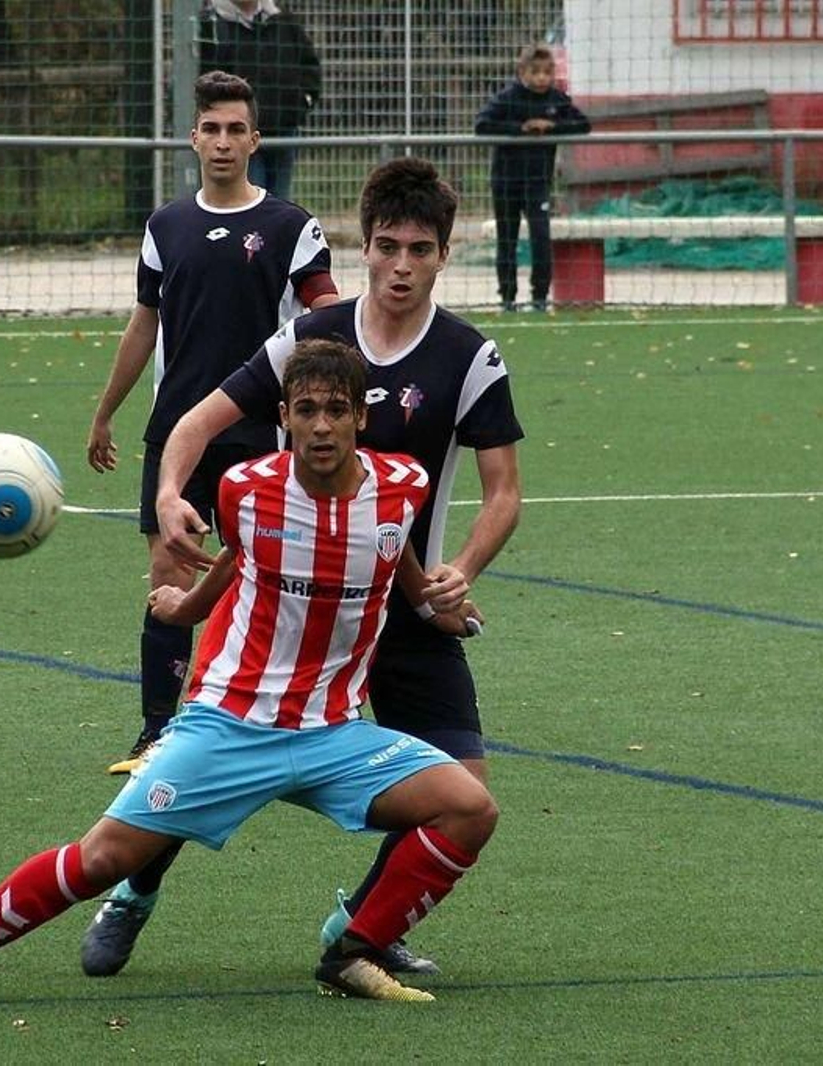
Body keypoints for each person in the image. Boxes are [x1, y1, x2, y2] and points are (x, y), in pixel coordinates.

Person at [0, 339, 497, 1007]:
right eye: (306, 410)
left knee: (469, 808)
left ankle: (352, 952)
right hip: (229, 724)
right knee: (103, 857)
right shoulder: (246, 490)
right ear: (284, 415)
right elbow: (238, 559)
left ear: (361, 417)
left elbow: (396, 562)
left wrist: (434, 603)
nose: (322, 426)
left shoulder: (404, 486)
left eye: (337, 410)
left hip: (333, 733)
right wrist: (185, 606)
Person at [78, 156, 523, 982]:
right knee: (207, 762)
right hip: (290, 610)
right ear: (364, 247)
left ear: (443, 255)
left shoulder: (469, 356)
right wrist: (173, 491)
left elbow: (504, 493)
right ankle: (132, 893)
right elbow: (196, 419)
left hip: (402, 599)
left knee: (462, 791)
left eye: (419, 250)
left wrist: (460, 569)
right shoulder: (309, 342)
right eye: (386, 246)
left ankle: (362, 927)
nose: (400, 265)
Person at [87, 70, 339, 778]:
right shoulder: (166, 226)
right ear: (193, 138)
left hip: (260, 434)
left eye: (237, 130)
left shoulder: (291, 226)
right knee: (166, 571)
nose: (224, 142)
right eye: (212, 130)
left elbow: (327, 315)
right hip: (176, 434)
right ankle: (154, 734)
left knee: (270, 577)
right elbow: (144, 324)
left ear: (255, 141)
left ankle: (273, 719)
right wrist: (106, 412)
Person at [474, 43, 591, 313]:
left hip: (538, 183)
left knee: (541, 238)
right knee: (507, 241)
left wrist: (553, 127)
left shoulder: (556, 100)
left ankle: (539, 297)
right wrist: (520, 129)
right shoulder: (507, 98)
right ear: (521, 72)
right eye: (535, 72)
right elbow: (481, 124)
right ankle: (507, 298)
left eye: (547, 72)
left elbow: (583, 124)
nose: (541, 78)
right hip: (505, 183)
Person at [198, 0, 322, 201]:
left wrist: (301, 103)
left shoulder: (284, 22)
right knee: (245, 202)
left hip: (283, 132)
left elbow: (310, 66)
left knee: (279, 204)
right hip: (235, 136)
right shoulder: (209, 25)